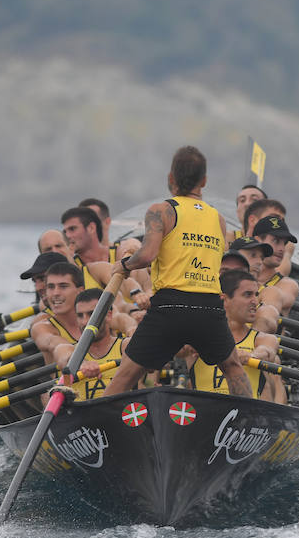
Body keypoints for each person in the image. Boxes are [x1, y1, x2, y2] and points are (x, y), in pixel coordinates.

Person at [102, 145, 252, 398]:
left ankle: (100, 416)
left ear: (170, 178)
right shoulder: (218, 219)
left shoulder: (161, 211)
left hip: (169, 307)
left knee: (126, 374)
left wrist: (124, 265)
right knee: (233, 367)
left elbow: (147, 255)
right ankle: (250, 414)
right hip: (209, 308)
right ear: (204, 181)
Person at [191, 269, 285, 404]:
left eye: (256, 295)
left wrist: (252, 355)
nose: (255, 301)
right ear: (224, 300)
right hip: (204, 413)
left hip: (245, 415)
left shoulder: (263, 339)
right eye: (247, 295)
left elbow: (267, 352)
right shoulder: (198, 335)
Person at [67, 288, 127, 399]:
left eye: (92, 314)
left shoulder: (125, 346)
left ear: (108, 315)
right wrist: (81, 362)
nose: (85, 322)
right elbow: (62, 355)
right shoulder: (68, 350)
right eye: (80, 315)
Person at [251, 216, 299, 334]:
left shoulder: (288, 285)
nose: (282, 249)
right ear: (258, 241)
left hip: (264, 343)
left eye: (284, 243)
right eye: (276, 241)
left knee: (272, 293)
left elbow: (274, 298)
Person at [59, 206, 116, 291]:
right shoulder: (71, 265)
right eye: (65, 232)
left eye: (72, 229)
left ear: (91, 228)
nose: (68, 236)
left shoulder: (120, 252)